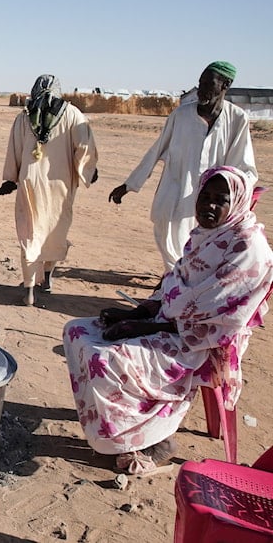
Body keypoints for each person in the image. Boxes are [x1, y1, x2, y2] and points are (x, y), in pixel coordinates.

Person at [64, 166, 273, 475]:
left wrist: (146, 327)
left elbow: (216, 316)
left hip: (202, 341)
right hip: (167, 322)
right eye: (205, 197)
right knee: (76, 331)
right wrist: (136, 313)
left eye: (220, 200)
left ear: (238, 202)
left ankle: (153, 440)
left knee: (105, 357)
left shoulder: (248, 249)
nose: (209, 206)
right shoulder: (206, 234)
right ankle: (110, 420)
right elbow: (173, 285)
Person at [108, 61, 258, 272]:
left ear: (225, 85)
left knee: (202, 244)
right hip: (175, 191)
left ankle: (180, 280)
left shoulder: (237, 119)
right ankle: (174, 277)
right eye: (200, 82)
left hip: (209, 200)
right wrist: (129, 185)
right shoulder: (181, 115)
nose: (202, 88)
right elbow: (155, 151)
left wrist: (236, 196)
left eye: (208, 83)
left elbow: (243, 167)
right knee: (167, 234)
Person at [0, 75, 99, 306]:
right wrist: (88, 171)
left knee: (30, 235)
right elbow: (83, 149)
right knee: (54, 233)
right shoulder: (72, 114)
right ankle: (48, 279)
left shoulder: (24, 118)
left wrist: (10, 179)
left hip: (30, 184)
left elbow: (14, 149)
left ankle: (30, 290)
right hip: (60, 185)